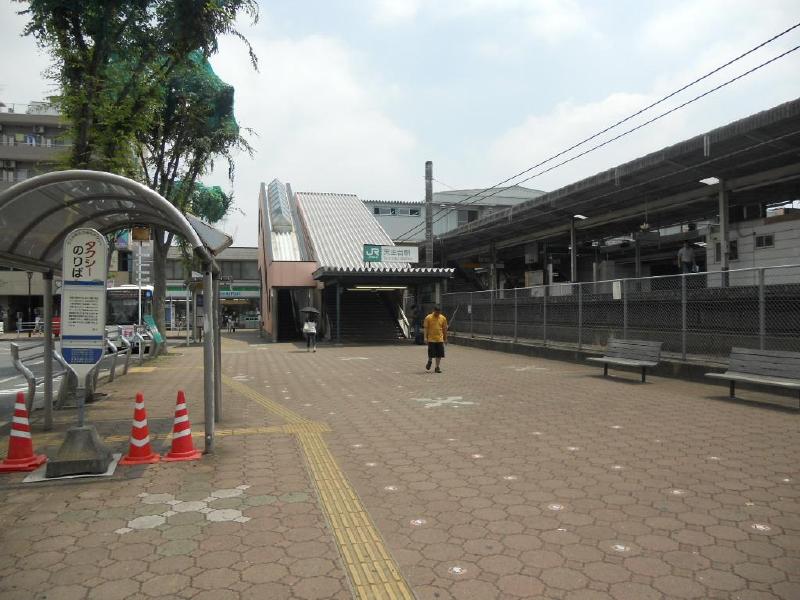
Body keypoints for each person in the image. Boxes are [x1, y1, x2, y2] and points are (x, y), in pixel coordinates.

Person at [424, 305, 448, 373]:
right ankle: (430, 361)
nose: (437, 314)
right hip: (431, 339)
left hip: (440, 339)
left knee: (439, 354)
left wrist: (445, 338)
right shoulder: (428, 317)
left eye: (439, 313)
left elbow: (445, 329)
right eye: (436, 312)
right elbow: (426, 328)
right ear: (434, 311)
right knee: (431, 353)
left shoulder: (443, 318)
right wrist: (425, 337)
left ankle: (437, 367)